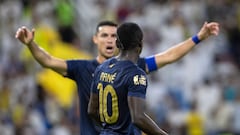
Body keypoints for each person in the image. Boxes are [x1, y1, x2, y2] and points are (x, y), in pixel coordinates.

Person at [15, 20, 219, 135]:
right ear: (95, 39)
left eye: (114, 36)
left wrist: (198, 37)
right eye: (104, 35)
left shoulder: (109, 69)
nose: (110, 40)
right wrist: (31, 44)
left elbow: (169, 55)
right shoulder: (83, 67)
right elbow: (48, 61)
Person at [88, 22, 169, 135]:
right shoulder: (136, 75)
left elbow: (92, 110)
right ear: (140, 45)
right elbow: (138, 117)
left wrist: (111, 129)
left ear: (117, 43)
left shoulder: (102, 68)